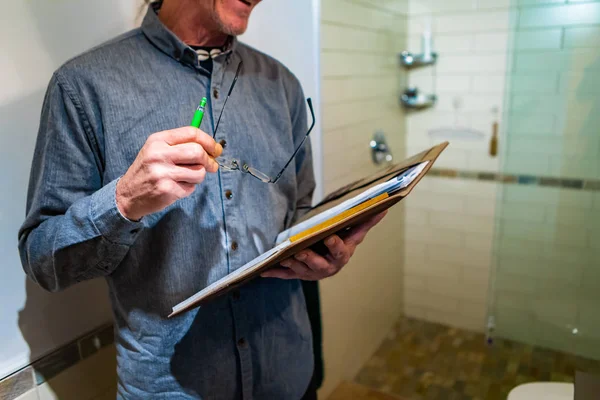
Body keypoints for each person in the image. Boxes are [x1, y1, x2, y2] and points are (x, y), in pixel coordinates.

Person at [18, 0, 386, 398]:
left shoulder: (283, 85)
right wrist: (123, 202)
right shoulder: (82, 87)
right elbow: (42, 261)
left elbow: (298, 209)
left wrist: (320, 254)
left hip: (288, 377)